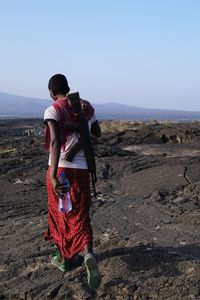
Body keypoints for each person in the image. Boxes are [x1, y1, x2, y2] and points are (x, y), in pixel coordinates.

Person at [44, 74, 101, 289]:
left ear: (51, 92)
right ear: (68, 88)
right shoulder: (85, 106)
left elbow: (56, 141)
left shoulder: (53, 109)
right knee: (80, 214)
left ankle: (64, 260)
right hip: (83, 171)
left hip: (61, 170)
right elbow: (97, 133)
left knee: (60, 213)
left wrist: (52, 175)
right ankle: (87, 254)